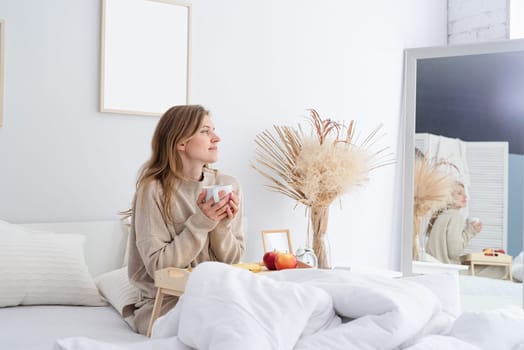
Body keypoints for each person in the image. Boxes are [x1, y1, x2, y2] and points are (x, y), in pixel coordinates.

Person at [125, 105, 245, 335]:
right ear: (181, 143)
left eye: (214, 130)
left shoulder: (228, 185)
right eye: (205, 131)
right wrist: (201, 222)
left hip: (220, 294)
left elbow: (233, 259)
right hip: (166, 304)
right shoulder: (153, 191)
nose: (216, 138)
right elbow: (159, 269)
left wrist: (221, 225)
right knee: (228, 328)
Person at [425, 181, 481, 264]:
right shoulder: (455, 216)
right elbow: (454, 252)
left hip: (435, 269)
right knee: (502, 270)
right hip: (449, 271)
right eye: (459, 193)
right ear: (448, 197)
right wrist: (470, 231)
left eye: (464, 193)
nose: (465, 196)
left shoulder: (440, 215)